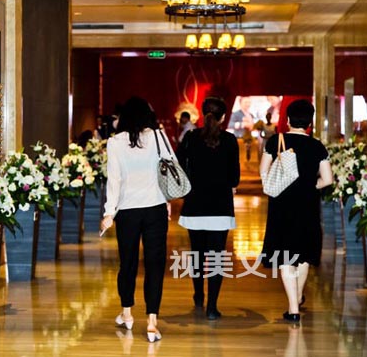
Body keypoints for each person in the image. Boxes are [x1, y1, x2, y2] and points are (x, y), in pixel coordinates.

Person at [101, 96, 171, 343]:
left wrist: (109, 212)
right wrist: (168, 201)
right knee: (155, 265)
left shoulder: (115, 142)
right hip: (155, 208)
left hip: (128, 212)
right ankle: (152, 322)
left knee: (128, 263)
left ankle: (127, 313)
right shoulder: (159, 137)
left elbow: (114, 179)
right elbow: (170, 168)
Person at [259, 99, 333, 323]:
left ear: (288, 120)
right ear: (310, 123)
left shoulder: (276, 141)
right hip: (307, 206)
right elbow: (328, 180)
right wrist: (311, 186)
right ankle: (298, 297)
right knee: (303, 256)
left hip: (281, 205)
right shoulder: (317, 146)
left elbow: (263, 171)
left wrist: (275, 184)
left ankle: (293, 309)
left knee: (285, 256)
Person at [176, 97, 240, 320]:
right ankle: (212, 306)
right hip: (220, 207)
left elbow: (178, 165)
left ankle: (198, 294)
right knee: (216, 257)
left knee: (197, 254)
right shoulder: (230, 140)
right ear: (223, 118)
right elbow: (234, 178)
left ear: (203, 115)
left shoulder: (191, 138)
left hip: (195, 205)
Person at [229, 97, 255, 162]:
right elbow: (229, 124)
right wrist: (242, 124)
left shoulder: (251, 115)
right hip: (239, 138)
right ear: (240, 103)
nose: (247, 104)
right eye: (245, 102)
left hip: (250, 139)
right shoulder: (235, 114)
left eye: (249, 102)